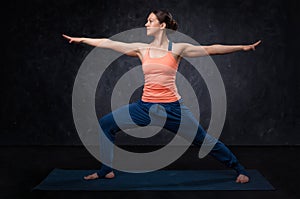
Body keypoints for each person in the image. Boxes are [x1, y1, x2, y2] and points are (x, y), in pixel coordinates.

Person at [63, 10, 261, 184]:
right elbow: (110, 43)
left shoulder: (177, 49)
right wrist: (82, 40)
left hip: (173, 109)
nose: (146, 24)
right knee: (107, 124)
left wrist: (242, 47)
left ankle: (239, 170)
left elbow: (211, 48)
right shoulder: (142, 49)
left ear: (162, 25)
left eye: (150, 21)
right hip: (144, 108)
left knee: (203, 140)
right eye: (147, 21)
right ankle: (106, 171)